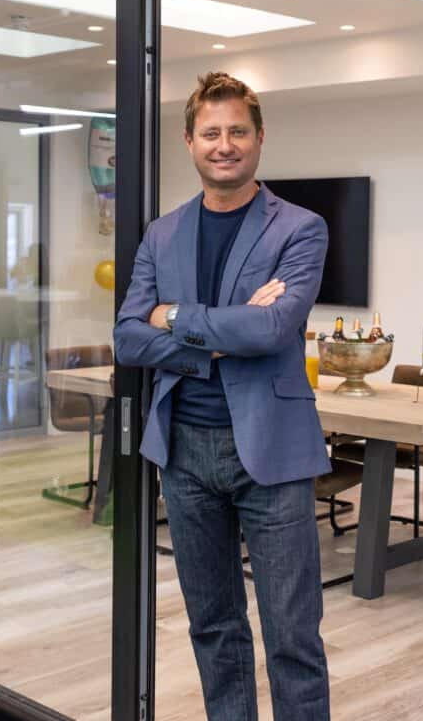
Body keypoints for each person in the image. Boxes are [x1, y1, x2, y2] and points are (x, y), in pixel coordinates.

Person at [114, 72, 332, 721]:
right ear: (189, 141)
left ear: (260, 138)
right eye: (211, 132)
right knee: (214, 627)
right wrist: (219, 331)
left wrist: (173, 316)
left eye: (238, 131)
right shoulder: (162, 234)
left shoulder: (300, 228)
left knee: (292, 637)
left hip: (272, 454)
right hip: (182, 450)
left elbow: (272, 328)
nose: (225, 144)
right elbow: (128, 337)